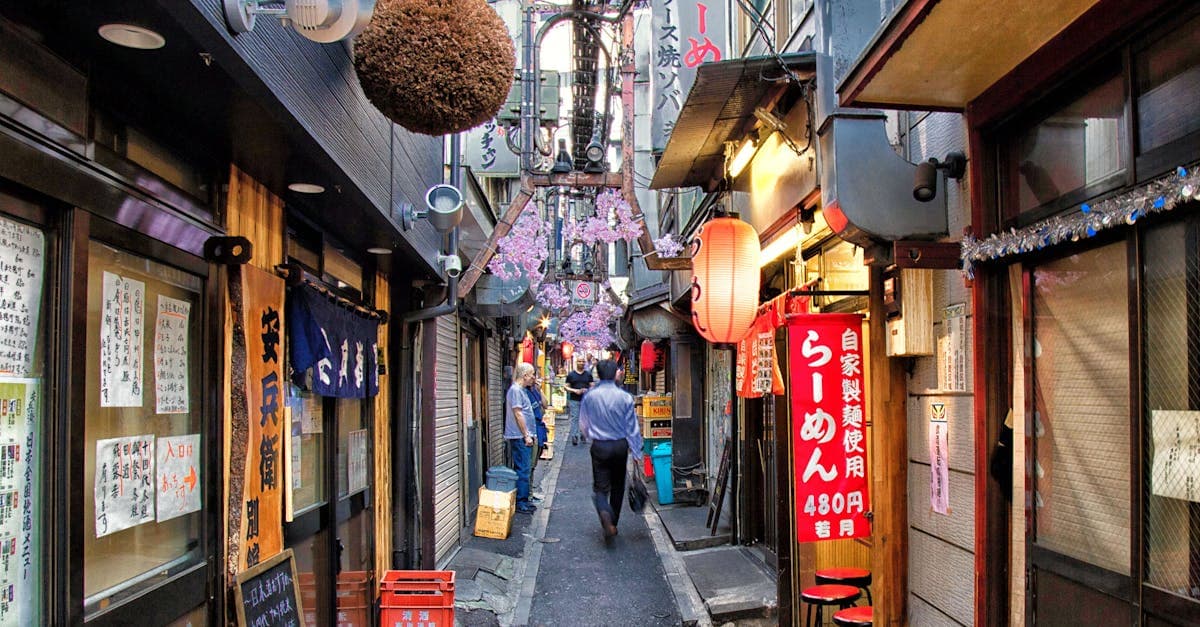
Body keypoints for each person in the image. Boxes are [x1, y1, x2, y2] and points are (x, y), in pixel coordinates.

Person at [578, 359, 643, 540]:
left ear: (598, 374)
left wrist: (590, 435)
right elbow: (632, 427)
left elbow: (583, 424)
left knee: (600, 487)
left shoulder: (590, 396)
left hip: (599, 445)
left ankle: (604, 513)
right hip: (620, 446)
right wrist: (636, 451)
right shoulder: (625, 397)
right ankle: (613, 522)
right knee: (618, 485)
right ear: (615, 374)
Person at [505, 362, 537, 514]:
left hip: (523, 435)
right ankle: (521, 502)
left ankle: (524, 500)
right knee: (523, 469)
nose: (533, 378)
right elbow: (518, 413)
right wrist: (526, 435)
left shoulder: (521, 390)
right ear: (525, 376)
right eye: (532, 375)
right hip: (519, 436)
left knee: (524, 468)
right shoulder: (516, 390)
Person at [525, 375, 548, 501]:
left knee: (534, 464)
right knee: (530, 464)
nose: (534, 378)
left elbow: (545, 405)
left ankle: (530, 492)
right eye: (532, 375)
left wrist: (540, 390)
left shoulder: (535, 390)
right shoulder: (524, 392)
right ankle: (527, 494)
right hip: (531, 430)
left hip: (539, 429)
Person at [564, 356, 594, 446]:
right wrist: (575, 390)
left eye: (583, 361)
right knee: (575, 418)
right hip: (574, 400)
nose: (581, 363)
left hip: (585, 400)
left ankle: (583, 433)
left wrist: (587, 390)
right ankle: (574, 436)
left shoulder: (588, 374)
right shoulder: (571, 375)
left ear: (585, 363)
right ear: (576, 362)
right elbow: (566, 387)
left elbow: (592, 386)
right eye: (579, 361)